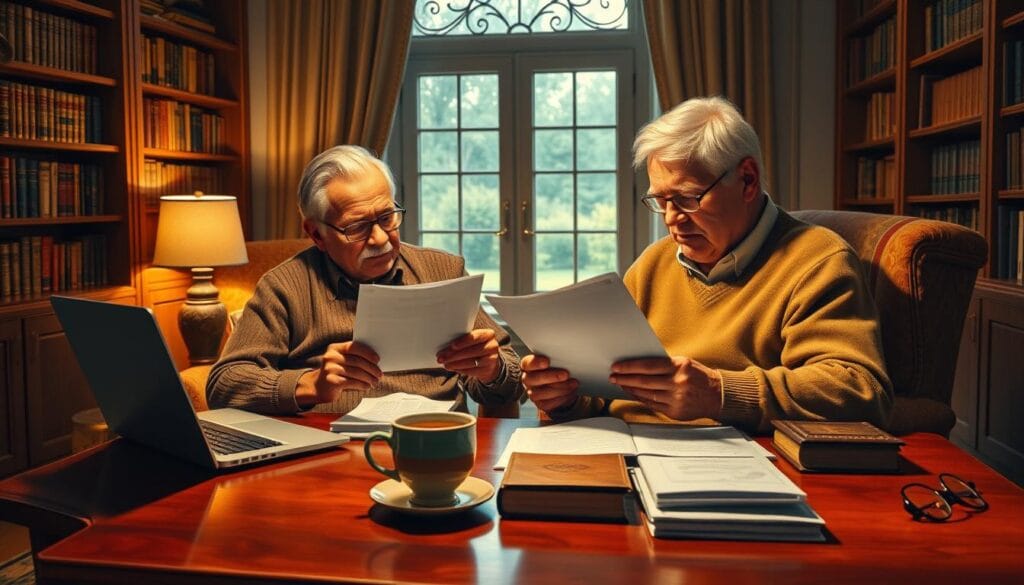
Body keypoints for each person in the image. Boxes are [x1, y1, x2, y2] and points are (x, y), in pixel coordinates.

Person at [521, 96, 893, 433]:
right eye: (660, 201)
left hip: (733, 463)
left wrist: (719, 393)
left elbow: (859, 390)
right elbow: (607, 391)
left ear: (747, 180)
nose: (672, 219)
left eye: (687, 198)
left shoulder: (818, 261)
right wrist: (565, 396)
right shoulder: (654, 262)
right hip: (624, 449)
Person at [207, 145, 522, 414]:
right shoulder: (285, 287)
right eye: (356, 227)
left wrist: (492, 370)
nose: (379, 238)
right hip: (329, 448)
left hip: (433, 440)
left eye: (387, 217)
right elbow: (224, 384)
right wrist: (309, 384)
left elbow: (513, 380)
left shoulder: (443, 271)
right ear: (316, 234)